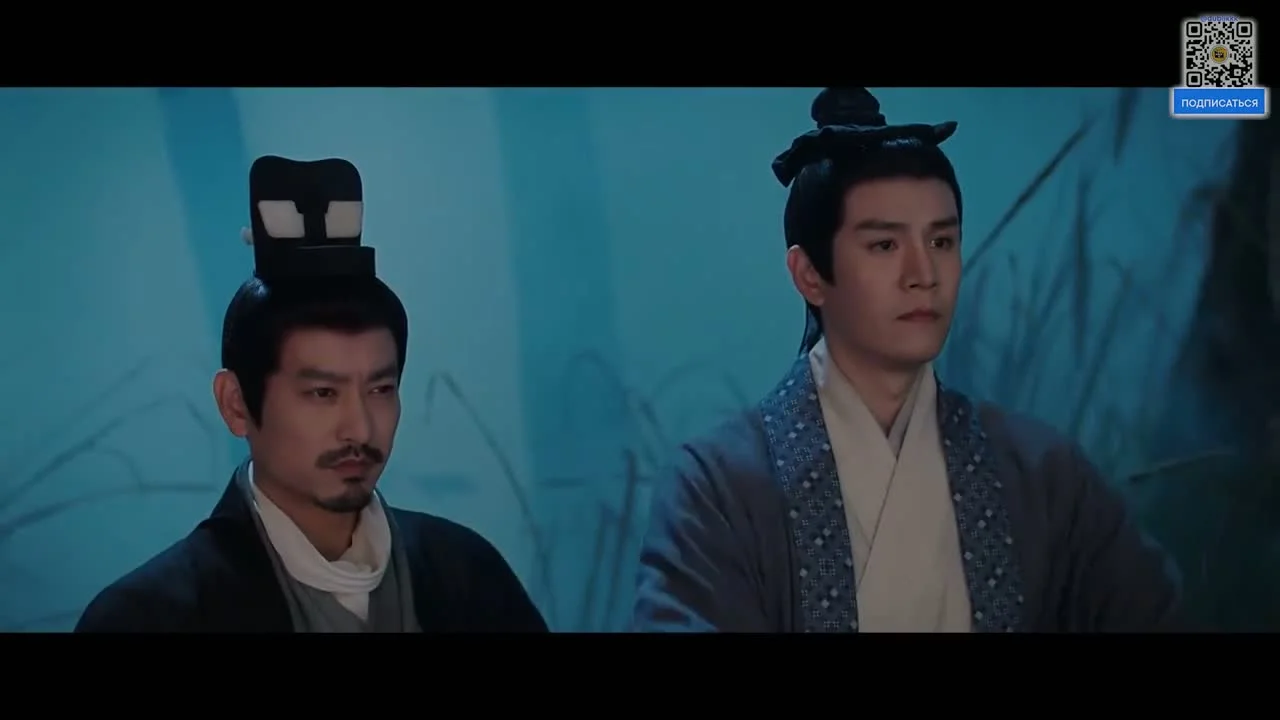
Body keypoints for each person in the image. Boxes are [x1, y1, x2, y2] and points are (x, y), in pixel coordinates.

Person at [632, 88, 1183, 633]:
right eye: (885, 246)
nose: (924, 275)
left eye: (942, 243)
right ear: (810, 274)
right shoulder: (718, 491)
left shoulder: (1043, 475)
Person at [76, 156, 547, 633]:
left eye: (380, 388)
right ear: (236, 404)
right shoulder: (149, 617)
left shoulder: (468, 575)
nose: (359, 428)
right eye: (323, 392)